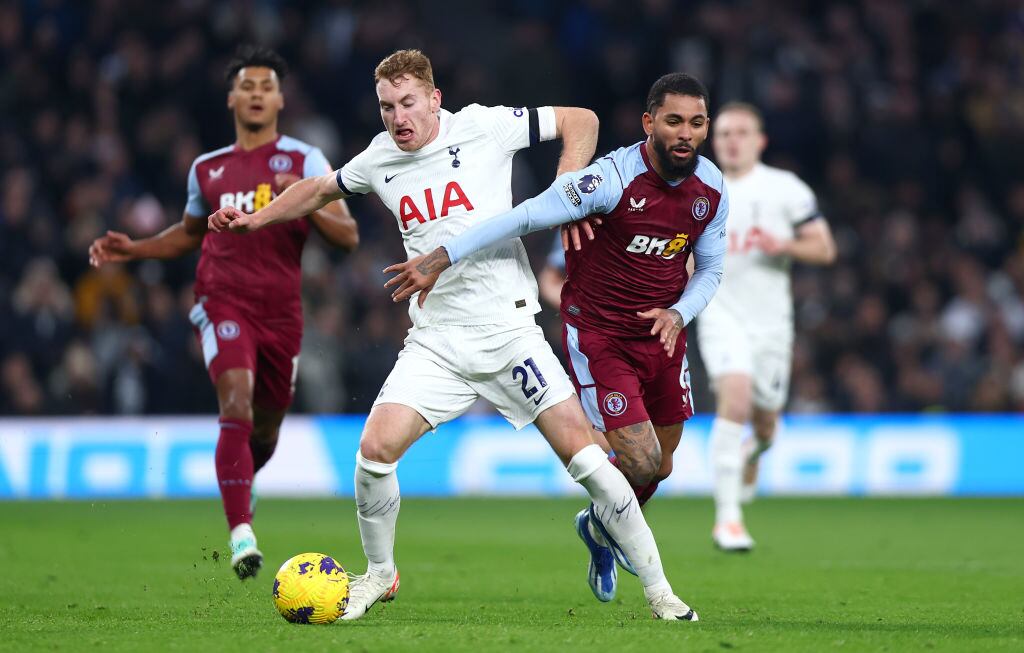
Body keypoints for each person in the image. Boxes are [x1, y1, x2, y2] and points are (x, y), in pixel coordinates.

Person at [207, 49, 699, 621]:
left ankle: (662, 594)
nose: (397, 118)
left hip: (510, 331)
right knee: (373, 454)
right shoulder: (379, 158)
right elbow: (318, 190)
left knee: (590, 465)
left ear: (434, 99)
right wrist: (254, 219)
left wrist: (568, 189)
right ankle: (379, 575)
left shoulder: (485, 126)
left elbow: (580, 120)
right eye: (387, 107)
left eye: (408, 103)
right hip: (437, 340)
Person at [385, 72, 727, 603]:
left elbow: (709, 269)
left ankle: (598, 525)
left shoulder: (711, 187)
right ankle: (630, 547)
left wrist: (680, 314)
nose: (685, 133)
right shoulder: (608, 180)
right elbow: (520, 217)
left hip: (664, 333)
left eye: (696, 122)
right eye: (674, 121)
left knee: (661, 463)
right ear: (649, 123)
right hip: (601, 335)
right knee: (636, 460)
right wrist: (441, 257)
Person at [88, 45, 359, 579]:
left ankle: (242, 485)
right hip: (222, 298)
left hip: (281, 313)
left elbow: (347, 236)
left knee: (267, 429)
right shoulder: (206, 168)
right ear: (232, 97)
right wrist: (135, 248)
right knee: (235, 401)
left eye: (266, 86)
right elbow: (188, 236)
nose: (257, 93)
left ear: (281, 98)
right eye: (247, 85)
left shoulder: (305, 160)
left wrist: (305, 198)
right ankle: (241, 534)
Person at [699, 102, 837, 551]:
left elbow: (824, 249)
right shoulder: (698, 189)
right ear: (713, 141)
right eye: (723, 134)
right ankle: (728, 520)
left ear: (760, 141)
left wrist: (784, 245)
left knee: (765, 428)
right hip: (720, 314)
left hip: (771, 324)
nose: (732, 141)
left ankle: (751, 452)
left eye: (741, 132)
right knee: (733, 397)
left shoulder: (784, 189)